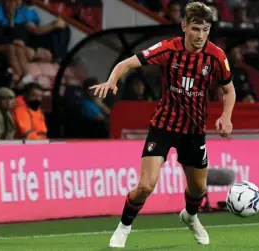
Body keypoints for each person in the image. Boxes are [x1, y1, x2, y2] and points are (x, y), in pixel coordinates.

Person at [89, 2, 235, 248]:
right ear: (184, 27)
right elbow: (126, 63)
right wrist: (112, 80)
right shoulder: (169, 49)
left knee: (198, 190)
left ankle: (190, 216)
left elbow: (229, 91)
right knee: (146, 185)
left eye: (205, 30)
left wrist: (227, 116)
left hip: (194, 131)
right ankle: (123, 227)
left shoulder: (216, 56)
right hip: (164, 125)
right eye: (196, 28)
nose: (200, 35)